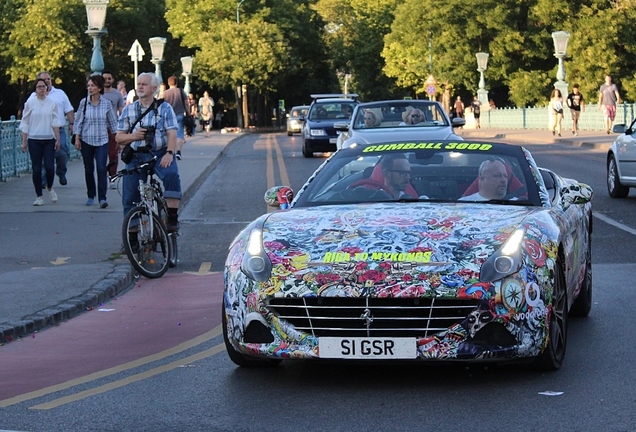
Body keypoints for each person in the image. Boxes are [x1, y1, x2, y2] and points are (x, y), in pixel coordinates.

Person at [116, 72, 181, 233]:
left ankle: (172, 219)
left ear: (153, 88)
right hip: (136, 155)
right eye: (138, 84)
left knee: (171, 175)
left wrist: (169, 153)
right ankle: (132, 237)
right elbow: (119, 137)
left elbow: (172, 133)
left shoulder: (165, 108)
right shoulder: (129, 110)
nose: (139, 87)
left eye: (144, 84)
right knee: (130, 195)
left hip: (159, 153)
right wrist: (134, 136)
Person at [74, 75, 118, 208]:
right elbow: (78, 121)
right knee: (88, 169)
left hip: (102, 140)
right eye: (88, 86)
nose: (90, 88)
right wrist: (77, 137)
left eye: (92, 86)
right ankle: (91, 195)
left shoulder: (106, 104)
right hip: (86, 140)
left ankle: (102, 198)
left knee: (101, 168)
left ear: (99, 88)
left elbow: (112, 123)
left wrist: (118, 139)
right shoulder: (84, 103)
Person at [28, 71, 74, 187]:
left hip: (59, 129)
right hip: (41, 131)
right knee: (43, 156)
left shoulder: (59, 93)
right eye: (44, 80)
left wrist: (72, 123)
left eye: (48, 79)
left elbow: (68, 109)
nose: (47, 81)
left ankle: (61, 172)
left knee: (62, 151)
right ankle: (43, 180)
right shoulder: (33, 96)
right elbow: (27, 112)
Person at [20, 78, 62, 206]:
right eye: (39, 87)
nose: (41, 89)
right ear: (35, 89)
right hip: (34, 139)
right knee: (37, 168)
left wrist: (57, 138)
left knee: (49, 166)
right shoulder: (30, 103)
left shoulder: (52, 103)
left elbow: (55, 122)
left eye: (43, 86)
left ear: (47, 88)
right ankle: (39, 195)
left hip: (48, 139)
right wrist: (24, 141)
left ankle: (50, 187)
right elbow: (25, 122)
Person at [101, 69, 125, 186]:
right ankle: (101, 178)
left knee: (113, 154)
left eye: (109, 78)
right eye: (104, 78)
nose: (107, 81)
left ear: (113, 80)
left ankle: (112, 177)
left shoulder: (117, 94)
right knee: (100, 156)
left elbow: (121, 111)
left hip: (113, 128)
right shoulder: (97, 93)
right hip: (99, 128)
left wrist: (122, 128)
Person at [163, 75, 189, 160]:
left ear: (168, 83)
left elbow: (161, 105)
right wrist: (188, 113)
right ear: (177, 83)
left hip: (168, 116)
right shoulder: (181, 91)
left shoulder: (165, 93)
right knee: (180, 134)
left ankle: (170, 151)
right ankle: (178, 152)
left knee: (169, 133)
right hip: (180, 114)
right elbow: (186, 103)